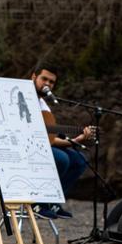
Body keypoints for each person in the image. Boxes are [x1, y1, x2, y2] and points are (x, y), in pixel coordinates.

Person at [30, 64, 95, 219]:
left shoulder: (44, 105)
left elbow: (50, 139)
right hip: (24, 148)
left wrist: (75, 140)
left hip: (42, 146)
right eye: (44, 79)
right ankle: (36, 202)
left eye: (51, 82)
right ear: (34, 77)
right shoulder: (21, 97)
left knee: (79, 160)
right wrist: (72, 142)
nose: (47, 84)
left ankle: (53, 201)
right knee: (61, 158)